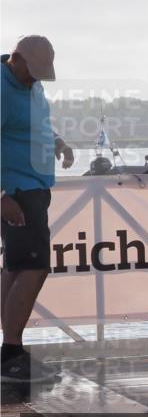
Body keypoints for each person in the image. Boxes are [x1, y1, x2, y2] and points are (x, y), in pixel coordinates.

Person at [1, 35, 74, 382]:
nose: (36, 80)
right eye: (32, 72)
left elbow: (36, 124)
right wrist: (2, 196)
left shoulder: (31, 85)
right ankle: (12, 352)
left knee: (16, 267)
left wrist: (57, 141)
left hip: (35, 187)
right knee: (34, 267)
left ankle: (8, 351)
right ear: (14, 59)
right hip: (16, 190)